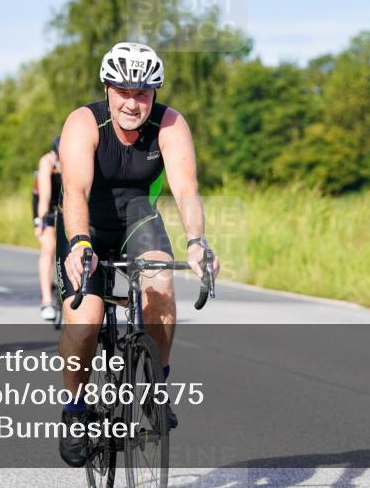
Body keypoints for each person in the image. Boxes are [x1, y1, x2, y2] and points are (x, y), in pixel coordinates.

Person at [55, 42, 220, 467]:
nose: (133, 103)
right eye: (124, 92)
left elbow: (185, 188)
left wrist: (197, 242)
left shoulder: (169, 123)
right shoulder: (84, 122)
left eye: (143, 93)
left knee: (161, 282)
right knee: (86, 320)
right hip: (86, 220)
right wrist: (79, 244)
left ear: (154, 93)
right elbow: (75, 189)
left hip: (138, 216)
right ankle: (75, 410)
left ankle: (155, 386)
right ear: (108, 89)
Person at [33, 137, 62, 321]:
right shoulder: (47, 162)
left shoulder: (76, 157)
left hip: (65, 201)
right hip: (44, 204)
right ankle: (46, 300)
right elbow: (44, 197)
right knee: (49, 247)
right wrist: (42, 222)